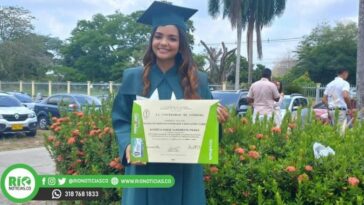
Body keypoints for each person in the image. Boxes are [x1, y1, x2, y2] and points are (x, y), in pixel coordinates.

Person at [111, 2, 229, 205]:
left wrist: (217, 119)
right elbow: (121, 119)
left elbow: (207, 130)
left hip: (184, 170)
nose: (163, 42)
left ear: (181, 43)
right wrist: (128, 145)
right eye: (158, 36)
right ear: (151, 40)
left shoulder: (197, 80)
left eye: (172, 38)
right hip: (143, 168)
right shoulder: (133, 77)